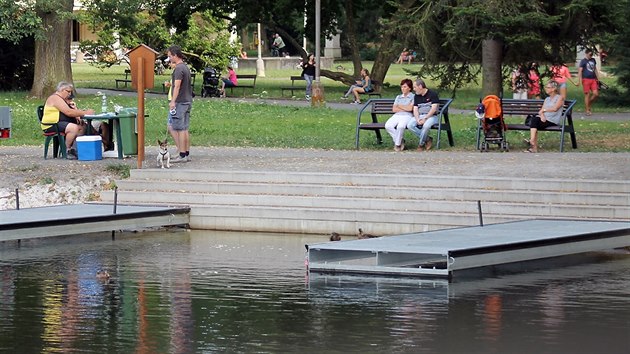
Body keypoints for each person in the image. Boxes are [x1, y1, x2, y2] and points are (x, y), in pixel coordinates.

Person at [40, 82, 94, 159]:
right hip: (51, 124)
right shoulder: (55, 98)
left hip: (61, 123)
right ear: (61, 90)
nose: (70, 94)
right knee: (73, 128)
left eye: (70, 92)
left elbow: (72, 112)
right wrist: (85, 112)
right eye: (68, 91)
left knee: (83, 127)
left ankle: (74, 149)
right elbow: (68, 112)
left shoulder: (64, 100)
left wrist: (76, 111)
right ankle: (66, 150)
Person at [167, 45, 193, 163]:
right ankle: (186, 153)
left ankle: (182, 155)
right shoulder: (185, 67)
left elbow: (177, 86)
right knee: (185, 128)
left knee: (180, 128)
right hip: (187, 100)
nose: (169, 59)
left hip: (180, 102)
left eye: (170, 56)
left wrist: (173, 101)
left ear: (175, 55)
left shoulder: (178, 69)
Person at [526, 80, 565, 153]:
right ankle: (533, 146)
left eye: (548, 87)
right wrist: (542, 116)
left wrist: (544, 111)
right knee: (534, 121)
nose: (546, 89)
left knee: (534, 122)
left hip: (552, 120)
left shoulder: (559, 98)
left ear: (553, 89)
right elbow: (541, 111)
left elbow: (555, 109)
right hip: (544, 119)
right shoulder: (547, 99)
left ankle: (532, 142)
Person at [407, 78, 440, 151]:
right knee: (410, 125)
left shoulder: (432, 94)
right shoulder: (416, 96)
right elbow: (415, 109)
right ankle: (428, 139)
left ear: (420, 86)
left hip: (431, 116)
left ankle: (421, 144)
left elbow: (434, 109)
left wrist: (425, 118)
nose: (414, 89)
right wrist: (417, 119)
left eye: (415, 87)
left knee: (426, 126)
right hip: (420, 115)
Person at [384, 79, 415, 152]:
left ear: (409, 88)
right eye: (402, 87)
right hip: (397, 115)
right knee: (388, 126)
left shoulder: (413, 97)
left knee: (400, 126)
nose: (403, 89)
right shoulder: (398, 97)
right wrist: (405, 107)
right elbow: (394, 109)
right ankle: (401, 140)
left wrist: (400, 106)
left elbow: (410, 108)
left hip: (407, 115)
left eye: (405, 87)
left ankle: (397, 144)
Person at [163, 59, 181, 153]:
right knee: (173, 125)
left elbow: (177, 86)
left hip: (174, 101)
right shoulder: (175, 72)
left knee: (171, 126)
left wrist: (173, 101)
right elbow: (174, 85)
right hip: (172, 99)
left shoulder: (178, 72)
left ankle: (180, 148)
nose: (169, 64)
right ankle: (180, 147)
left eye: (170, 62)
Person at [578, 49, 599, 116]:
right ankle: (587, 110)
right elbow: (580, 71)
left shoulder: (593, 60)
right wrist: (579, 80)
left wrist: (598, 78)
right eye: (590, 54)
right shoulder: (583, 61)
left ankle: (588, 104)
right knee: (587, 94)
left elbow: (595, 69)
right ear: (586, 54)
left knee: (596, 94)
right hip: (586, 79)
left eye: (592, 55)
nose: (591, 56)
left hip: (593, 79)